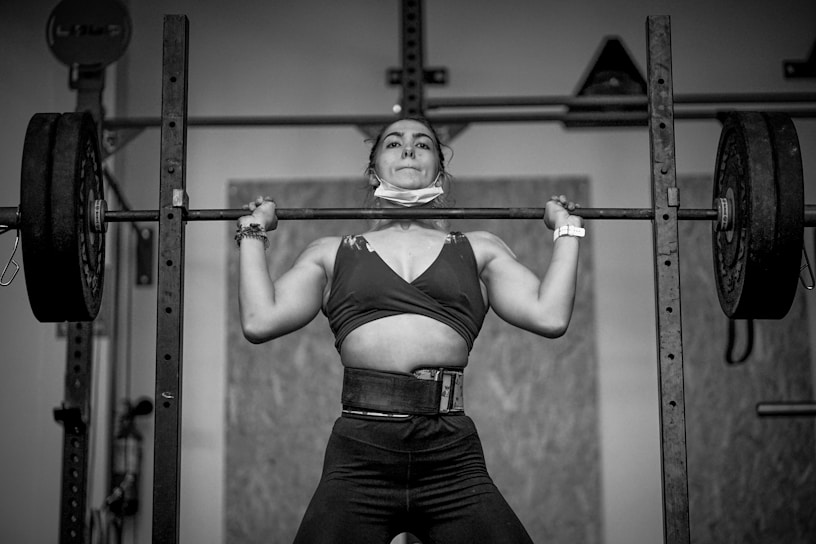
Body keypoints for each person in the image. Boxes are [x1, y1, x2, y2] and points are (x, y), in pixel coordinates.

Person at [235, 116, 584, 543]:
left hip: (449, 451)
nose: (408, 150)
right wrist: (253, 231)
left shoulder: (479, 249)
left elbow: (550, 317)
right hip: (361, 453)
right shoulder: (331, 253)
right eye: (394, 143)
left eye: (423, 144)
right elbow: (258, 321)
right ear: (373, 170)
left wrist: (566, 229)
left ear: (440, 169)